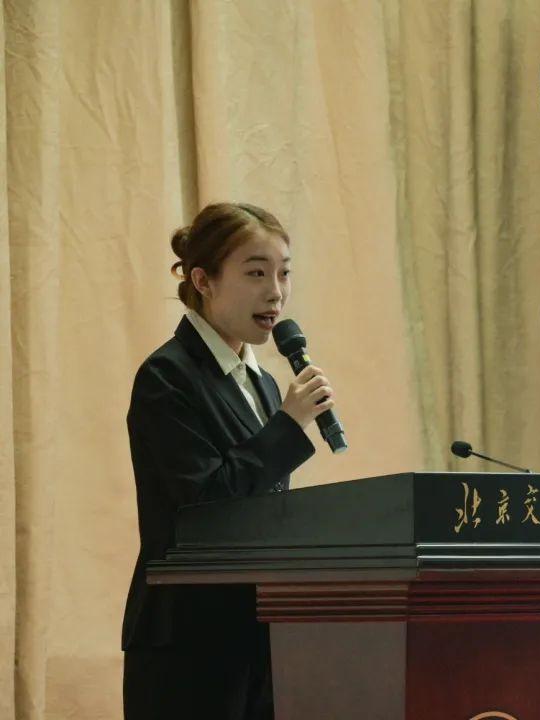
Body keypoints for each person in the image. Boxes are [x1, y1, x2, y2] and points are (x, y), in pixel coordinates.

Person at [120, 202, 336, 720]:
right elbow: (205, 502)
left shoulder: (264, 383)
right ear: (204, 280)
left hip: (259, 633)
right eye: (256, 273)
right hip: (187, 641)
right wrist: (288, 426)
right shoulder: (167, 376)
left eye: (284, 273)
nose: (276, 292)